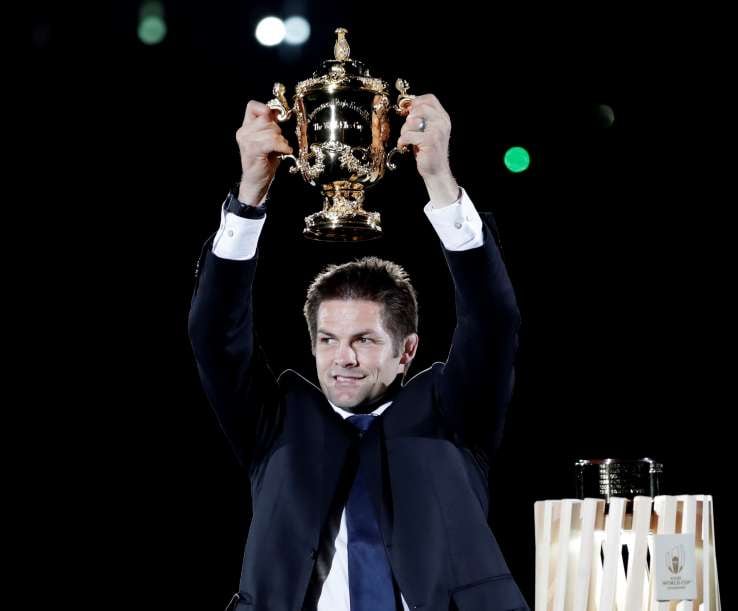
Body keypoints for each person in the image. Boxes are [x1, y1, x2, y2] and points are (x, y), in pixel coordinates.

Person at [189, 93, 527, 611]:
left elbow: (493, 319)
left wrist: (440, 182)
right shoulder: (274, 420)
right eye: (328, 340)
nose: (342, 359)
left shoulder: (454, 413)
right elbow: (214, 333)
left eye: (364, 340)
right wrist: (250, 196)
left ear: (407, 350)